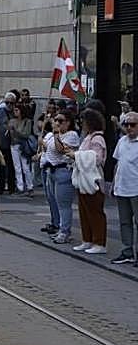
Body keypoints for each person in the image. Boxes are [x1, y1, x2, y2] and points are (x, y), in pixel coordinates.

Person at [39, 110, 80, 244]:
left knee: (64, 205)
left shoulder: (71, 135)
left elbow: (59, 149)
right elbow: (48, 149)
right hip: (52, 170)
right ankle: (59, 227)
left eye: (60, 121)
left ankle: (65, 231)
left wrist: (56, 133)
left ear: (68, 122)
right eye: (56, 120)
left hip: (63, 171)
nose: (57, 123)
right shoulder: (53, 136)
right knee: (54, 201)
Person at [72, 109, 108, 255]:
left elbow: (97, 158)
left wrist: (77, 155)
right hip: (83, 179)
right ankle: (87, 238)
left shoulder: (97, 138)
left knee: (95, 212)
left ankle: (99, 241)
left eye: (84, 121)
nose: (82, 124)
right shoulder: (88, 137)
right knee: (84, 211)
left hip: (93, 179)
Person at [112, 112, 138, 265]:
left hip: (136, 188)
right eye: (126, 125)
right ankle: (126, 250)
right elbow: (118, 163)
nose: (129, 128)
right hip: (122, 187)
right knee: (124, 222)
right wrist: (114, 182)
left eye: (133, 125)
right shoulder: (122, 141)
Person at [7, 100, 35, 198]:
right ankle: (20, 187)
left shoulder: (27, 121)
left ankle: (29, 186)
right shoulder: (12, 121)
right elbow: (10, 135)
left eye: (17, 110)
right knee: (17, 167)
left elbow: (26, 134)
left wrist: (16, 131)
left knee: (26, 167)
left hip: (23, 146)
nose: (15, 112)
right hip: (14, 145)